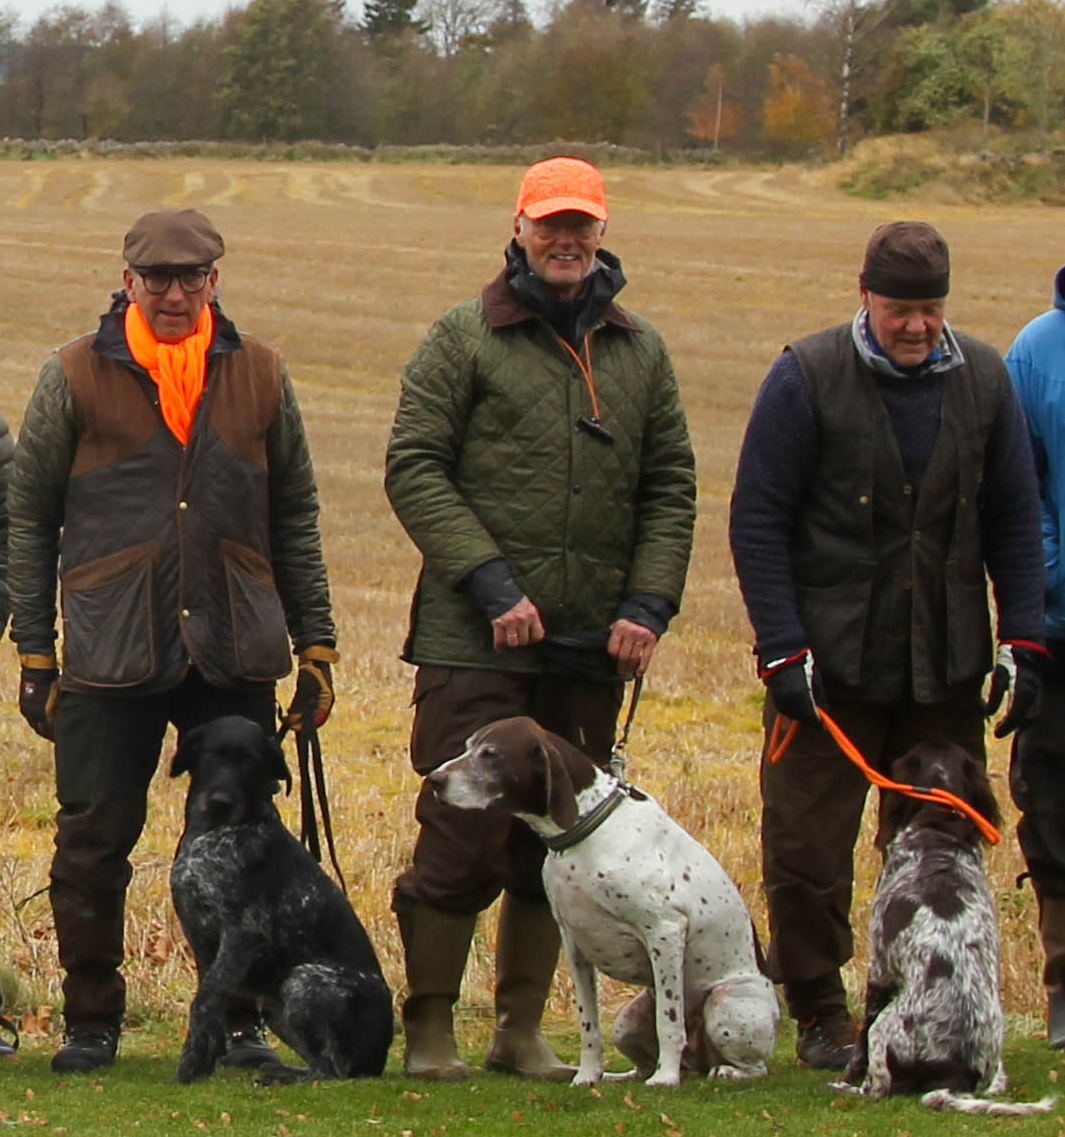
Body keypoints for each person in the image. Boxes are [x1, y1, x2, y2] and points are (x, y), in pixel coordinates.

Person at [385, 156, 696, 1081]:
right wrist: (489, 583)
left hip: (587, 650)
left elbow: (670, 486)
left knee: (558, 840)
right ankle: (430, 1030)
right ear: (517, 228)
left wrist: (645, 604)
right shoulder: (463, 336)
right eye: (548, 224)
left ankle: (519, 1032)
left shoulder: (639, 350)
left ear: (601, 232)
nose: (565, 241)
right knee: (459, 833)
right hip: (470, 640)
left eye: (582, 225)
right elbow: (413, 465)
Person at [7, 208, 338, 1074]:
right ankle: (90, 1020)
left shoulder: (261, 372)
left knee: (244, 849)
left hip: (232, 647)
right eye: (157, 278)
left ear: (215, 282)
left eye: (192, 277)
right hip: (111, 649)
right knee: (91, 841)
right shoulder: (72, 375)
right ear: (128, 282)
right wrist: (36, 650)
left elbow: (295, 515)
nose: (175, 293)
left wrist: (318, 647)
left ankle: (236, 1020)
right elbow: (30, 520)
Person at [729, 220, 1047, 1070]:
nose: (916, 325)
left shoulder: (983, 377)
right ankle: (820, 1012)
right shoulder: (806, 375)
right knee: (805, 848)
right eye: (901, 307)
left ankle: (908, 1003)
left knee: (939, 848)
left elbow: (1014, 516)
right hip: (826, 669)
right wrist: (781, 648)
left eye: (930, 309)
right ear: (863, 294)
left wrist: (1021, 639)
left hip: (942, 665)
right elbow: (756, 519)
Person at [1004, 270, 1065, 1049]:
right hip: (1059, 630)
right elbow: (1022, 492)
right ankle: (1062, 989)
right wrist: (1051, 574)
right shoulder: (1036, 351)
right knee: (1051, 812)